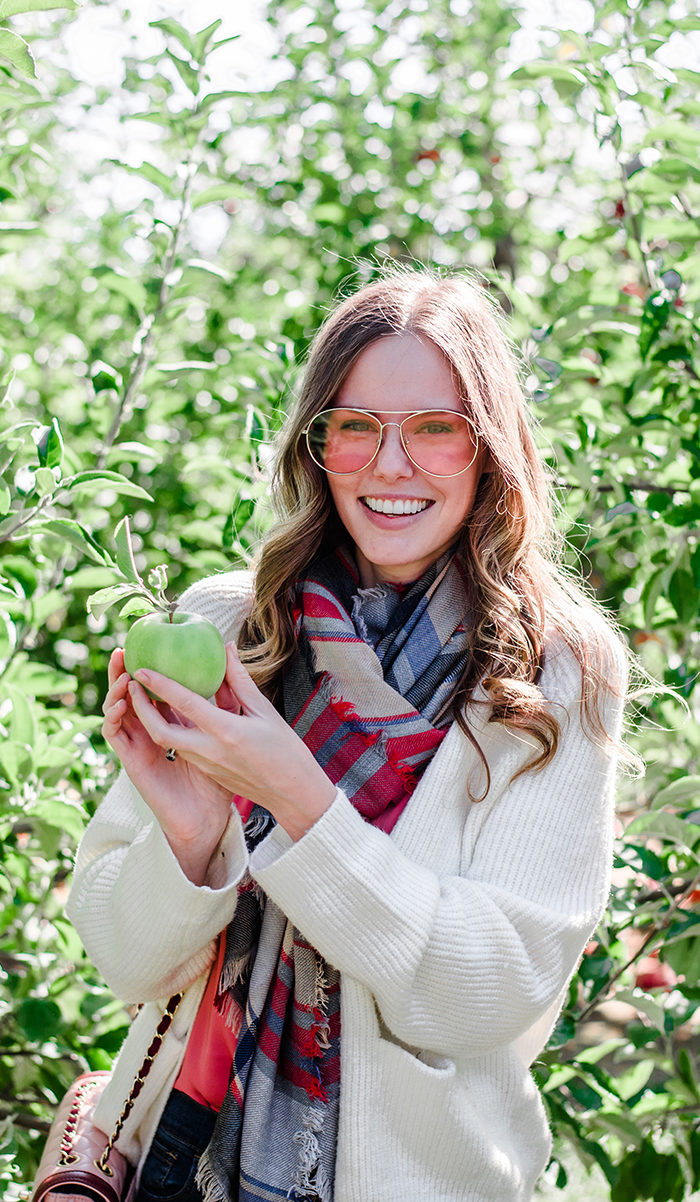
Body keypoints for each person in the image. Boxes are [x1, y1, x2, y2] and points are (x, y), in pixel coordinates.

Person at [62, 268, 630, 1202]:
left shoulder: (552, 674)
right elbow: (124, 964)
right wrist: (196, 837)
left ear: (489, 449)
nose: (389, 464)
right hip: (182, 1161)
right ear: (317, 444)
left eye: (435, 429)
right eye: (355, 425)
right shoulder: (232, 631)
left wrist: (298, 801)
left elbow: (489, 994)